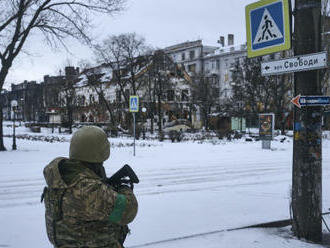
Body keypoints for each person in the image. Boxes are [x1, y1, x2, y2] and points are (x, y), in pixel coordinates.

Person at [42, 126, 138, 248]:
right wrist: (124, 188)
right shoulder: (87, 189)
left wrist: (105, 185)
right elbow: (128, 211)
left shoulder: (61, 178)